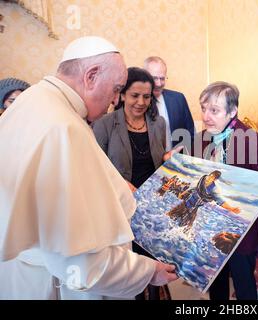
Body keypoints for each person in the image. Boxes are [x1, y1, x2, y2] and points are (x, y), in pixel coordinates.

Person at [0, 36, 177, 299]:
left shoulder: (35, 101)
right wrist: (147, 271)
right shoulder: (63, 126)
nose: (116, 100)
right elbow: (80, 262)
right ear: (91, 76)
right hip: (50, 283)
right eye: (117, 89)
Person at [187, 81, 258, 300]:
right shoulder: (199, 140)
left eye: (214, 110)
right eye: (203, 109)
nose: (205, 116)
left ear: (232, 111)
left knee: (244, 286)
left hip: (241, 231)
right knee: (216, 283)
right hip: (209, 229)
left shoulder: (254, 142)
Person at [92, 67, 166, 193]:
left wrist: (169, 157)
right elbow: (96, 169)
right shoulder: (103, 124)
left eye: (146, 96)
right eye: (135, 95)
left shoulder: (159, 123)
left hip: (154, 199)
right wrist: (121, 185)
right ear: (122, 95)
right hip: (120, 199)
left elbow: (159, 160)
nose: (141, 102)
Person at [143, 56, 195, 150]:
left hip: (177, 160)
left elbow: (191, 134)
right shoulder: (137, 103)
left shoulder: (178, 99)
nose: (159, 83)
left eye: (162, 78)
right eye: (154, 78)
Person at [166, 170, 239, 230]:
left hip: (193, 208)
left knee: (186, 229)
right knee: (168, 216)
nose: (210, 178)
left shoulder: (213, 189)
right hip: (185, 203)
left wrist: (231, 208)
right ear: (209, 174)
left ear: (215, 179)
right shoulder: (203, 178)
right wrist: (184, 193)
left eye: (213, 177)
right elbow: (195, 187)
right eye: (210, 176)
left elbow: (220, 201)